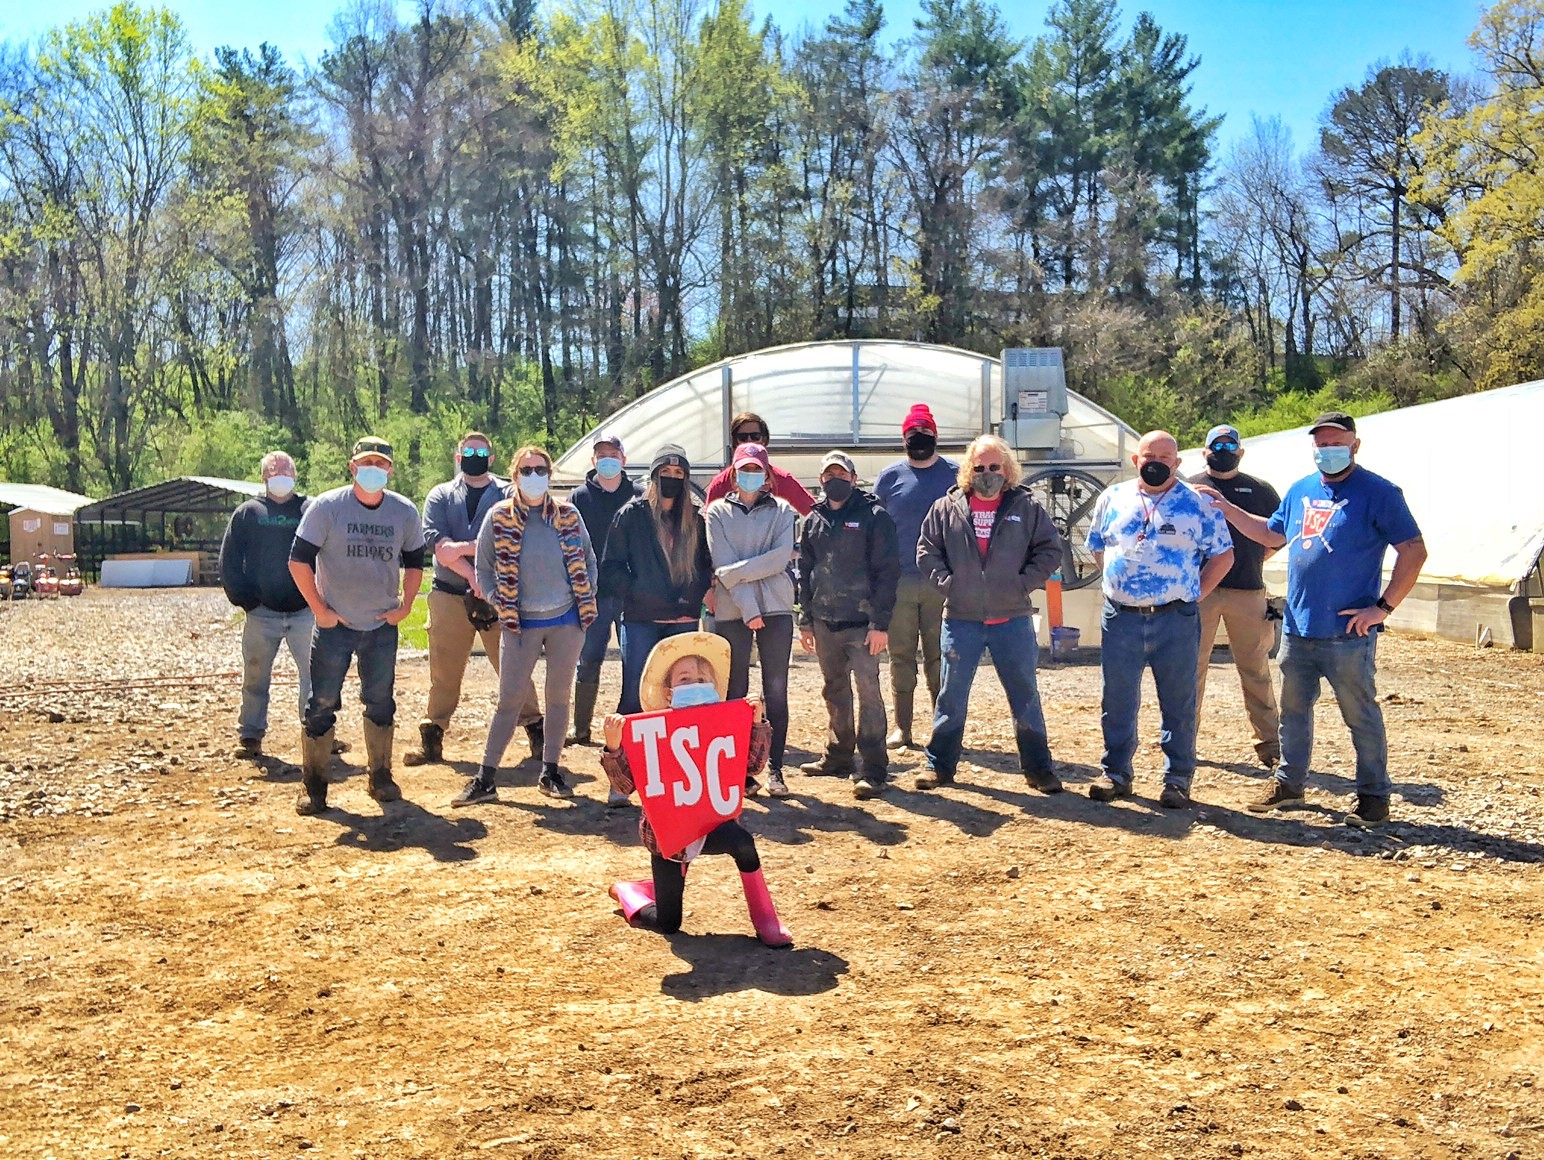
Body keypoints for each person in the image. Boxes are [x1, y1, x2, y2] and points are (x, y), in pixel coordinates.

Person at [1199, 412, 1425, 828]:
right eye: (1321, 444)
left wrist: (1383, 608)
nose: (1327, 450)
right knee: (1293, 712)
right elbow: (1271, 534)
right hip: (1298, 629)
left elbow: (1413, 550)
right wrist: (1227, 509)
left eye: (1336, 443)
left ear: (1355, 445)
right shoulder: (1302, 489)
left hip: (1347, 633)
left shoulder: (1379, 493)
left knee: (1360, 714)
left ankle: (1374, 796)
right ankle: (1289, 784)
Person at [601, 632, 792, 947]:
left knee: (742, 842)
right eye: (685, 678)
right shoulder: (651, 730)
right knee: (668, 923)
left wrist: (756, 724)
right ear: (667, 693)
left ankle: (766, 919)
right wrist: (613, 748)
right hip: (668, 836)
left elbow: (753, 767)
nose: (695, 683)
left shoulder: (726, 722)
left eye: (702, 677)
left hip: (712, 823)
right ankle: (631, 892)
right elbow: (626, 786)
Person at [1085, 431, 1235, 809]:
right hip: (1121, 617)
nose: (1157, 462)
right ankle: (1116, 773)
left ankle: (1178, 779)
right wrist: (1122, 585)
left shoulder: (1197, 503)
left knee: (1178, 701)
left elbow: (1223, 556)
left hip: (1176, 619)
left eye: (1165, 457)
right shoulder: (1112, 498)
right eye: (1149, 455)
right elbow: (1098, 548)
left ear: (1177, 463)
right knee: (1117, 698)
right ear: (1136, 459)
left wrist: (1194, 594)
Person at [915, 435, 1064, 793]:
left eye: (994, 467)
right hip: (961, 618)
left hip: (1011, 617)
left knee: (1025, 695)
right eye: (979, 467)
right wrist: (949, 584)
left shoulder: (1026, 507)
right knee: (951, 696)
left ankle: (1039, 770)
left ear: (1007, 469)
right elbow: (926, 551)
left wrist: (1023, 583)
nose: (987, 473)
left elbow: (1049, 550)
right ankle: (939, 766)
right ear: (968, 469)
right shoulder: (946, 508)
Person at [288, 437, 426, 816]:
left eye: (381, 464)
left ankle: (380, 776)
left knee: (380, 702)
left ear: (390, 470)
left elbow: (416, 563)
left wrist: (406, 606)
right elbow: (298, 561)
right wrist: (319, 609)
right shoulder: (327, 507)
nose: (374, 470)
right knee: (322, 703)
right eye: (367, 463)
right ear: (352, 467)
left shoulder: (403, 511)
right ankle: (313, 786)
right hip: (335, 625)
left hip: (381, 627)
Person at [456, 445, 598, 805]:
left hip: (567, 620)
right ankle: (486, 778)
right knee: (510, 699)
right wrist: (495, 598)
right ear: (515, 475)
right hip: (519, 623)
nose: (535, 476)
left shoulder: (568, 515)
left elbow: (588, 559)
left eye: (541, 469)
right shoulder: (499, 517)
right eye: (527, 470)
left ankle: (550, 771)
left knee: (558, 697)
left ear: (550, 475)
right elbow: (483, 568)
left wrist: (585, 595)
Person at [405, 433, 543, 768]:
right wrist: (473, 574)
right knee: (444, 670)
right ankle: (433, 735)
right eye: (469, 451)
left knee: (513, 667)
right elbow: (437, 544)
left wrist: (464, 550)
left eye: (481, 451)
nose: (475, 455)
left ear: (492, 458)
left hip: (502, 595)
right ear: (457, 456)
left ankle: (537, 732)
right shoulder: (440, 494)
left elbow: (512, 537)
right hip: (449, 594)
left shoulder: (509, 492)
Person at [796, 450, 900, 799]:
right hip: (825, 623)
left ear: (854, 479)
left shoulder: (874, 517)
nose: (833, 481)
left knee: (869, 693)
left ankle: (873, 769)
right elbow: (804, 573)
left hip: (863, 625)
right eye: (828, 476)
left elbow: (888, 573)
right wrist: (805, 619)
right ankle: (838, 756)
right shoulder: (812, 520)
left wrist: (880, 623)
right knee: (834, 689)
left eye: (841, 474)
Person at [705, 442, 799, 798]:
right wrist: (749, 608)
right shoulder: (715, 513)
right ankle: (737, 770)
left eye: (756, 469)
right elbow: (721, 566)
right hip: (732, 613)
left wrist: (739, 574)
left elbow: (778, 561)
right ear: (733, 472)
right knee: (734, 691)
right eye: (744, 468)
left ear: (767, 474)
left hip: (776, 609)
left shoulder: (783, 511)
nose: (750, 475)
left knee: (776, 689)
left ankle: (775, 768)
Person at [1189, 424, 1283, 768]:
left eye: (1230, 445)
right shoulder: (1190, 487)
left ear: (1241, 452)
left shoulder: (1260, 490)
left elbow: (1278, 535)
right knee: (1191, 668)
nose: (1223, 450)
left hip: (1248, 590)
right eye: (1216, 445)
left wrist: (1254, 560)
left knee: (1255, 667)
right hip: (1200, 591)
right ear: (1204, 451)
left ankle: (1270, 743)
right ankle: (1184, 741)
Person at [600, 444, 713, 717]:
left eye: (678, 472)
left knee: (682, 694)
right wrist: (638, 592)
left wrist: (691, 599)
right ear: (654, 475)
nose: (671, 477)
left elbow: (703, 566)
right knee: (636, 694)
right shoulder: (631, 515)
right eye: (665, 471)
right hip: (642, 619)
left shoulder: (696, 519)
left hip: (682, 620)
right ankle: (626, 754)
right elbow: (611, 567)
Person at [874, 404, 958, 749]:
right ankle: (903, 728)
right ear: (904, 438)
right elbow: (875, 526)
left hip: (944, 581)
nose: (918, 439)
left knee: (942, 656)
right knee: (901, 656)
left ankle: (943, 728)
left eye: (924, 433)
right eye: (912, 434)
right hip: (900, 582)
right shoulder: (889, 477)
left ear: (935, 436)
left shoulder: (956, 474)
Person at [219, 450, 313, 759]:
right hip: (262, 613)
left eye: (286, 468)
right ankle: (251, 733)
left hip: (305, 611)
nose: (281, 474)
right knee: (255, 675)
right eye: (274, 470)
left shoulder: (310, 510)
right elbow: (229, 560)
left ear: (295, 474)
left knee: (315, 675)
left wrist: (323, 599)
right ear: (264, 477)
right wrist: (245, 600)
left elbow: (329, 555)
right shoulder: (248, 512)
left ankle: (317, 732)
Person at [566, 430, 639, 760]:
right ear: (593, 460)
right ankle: (581, 729)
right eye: (601, 455)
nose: (608, 460)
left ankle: (635, 722)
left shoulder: (639, 494)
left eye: (614, 454)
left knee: (633, 658)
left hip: (631, 592)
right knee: (589, 658)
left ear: (623, 459)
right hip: (592, 593)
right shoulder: (579, 497)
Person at [703, 411, 814, 515]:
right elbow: (709, 522)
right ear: (735, 442)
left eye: (755, 436)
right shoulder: (720, 484)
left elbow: (814, 513)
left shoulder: (783, 480)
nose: (749, 441)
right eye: (743, 437)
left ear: (764, 440)